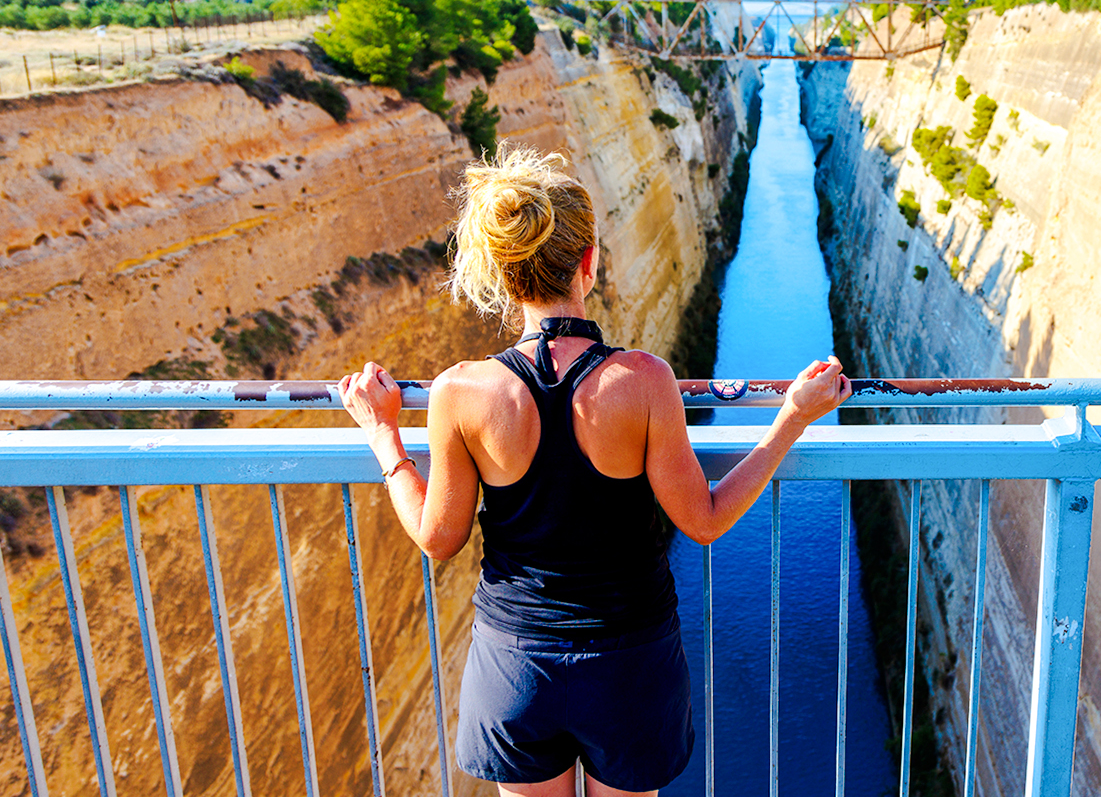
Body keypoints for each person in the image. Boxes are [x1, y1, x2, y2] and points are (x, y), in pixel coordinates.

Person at [339, 147, 851, 797]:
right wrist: (792, 418)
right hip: (629, 664)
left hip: (515, 664)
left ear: (502, 269)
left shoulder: (460, 391)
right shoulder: (642, 381)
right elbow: (704, 519)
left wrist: (382, 432)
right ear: (589, 261)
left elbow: (439, 538)